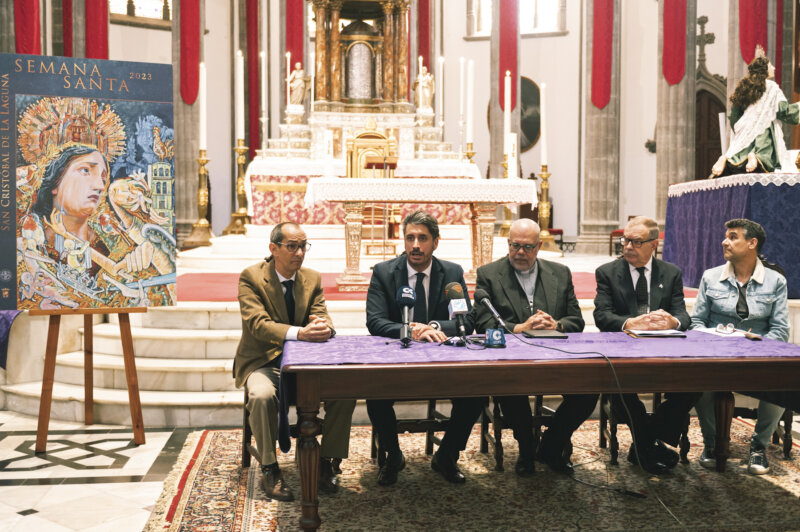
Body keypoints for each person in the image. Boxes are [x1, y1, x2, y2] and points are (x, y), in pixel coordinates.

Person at [234, 222, 356, 501]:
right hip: (263, 360)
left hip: (305, 364)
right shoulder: (251, 277)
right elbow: (258, 325)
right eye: (292, 246)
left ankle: (326, 461)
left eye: (303, 246)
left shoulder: (311, 278)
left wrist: (325, 328)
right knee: (262, 396)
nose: (299, 253)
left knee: (345, 394)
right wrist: (300, 333)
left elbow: (322, 316)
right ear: (273, 249)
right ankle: (269, 467)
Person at [365, 210, 484, 486]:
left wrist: (433, 326)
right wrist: (411, 331)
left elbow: (465, 320)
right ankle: (393, 457)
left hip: (442, 359)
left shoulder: (451, 272)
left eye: (422, 238)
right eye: (410, 238)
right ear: (403, 240)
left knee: (475, 394)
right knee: (374, 395)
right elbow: (375, 321)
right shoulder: (384, 272)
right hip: (397, 358)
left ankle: (447, 456)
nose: (415, 245)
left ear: (435, 242)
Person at [474, 218, 596, 476]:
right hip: (512, 360)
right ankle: (526, 448)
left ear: (539, 246)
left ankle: (551, 445)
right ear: (507, 244)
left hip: (555, 358)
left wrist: (556, 324)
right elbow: (483, 324)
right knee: (510, 387)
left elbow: (577, 321)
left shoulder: (560, 274)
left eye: (527, 247)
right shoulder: (489, 275)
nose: (520, 252)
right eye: (514, 245)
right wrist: (521, 327)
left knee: (589, 391)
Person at [593, 216, 699, 475]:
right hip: (623, 351)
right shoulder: (607, 272)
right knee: (619, 386)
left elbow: (684, 316)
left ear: (654, 245)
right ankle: (647, 446)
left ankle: (642, 442)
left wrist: (671, 321)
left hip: (664, 350)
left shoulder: (670, 273)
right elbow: (602, 316)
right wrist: (630, 322)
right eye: (625, 240)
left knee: (696, 382)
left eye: (636, 242)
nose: (628, 246)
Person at [20, 143, 175, 308]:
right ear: (56, 181)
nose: (100, 186)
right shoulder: (30, 234)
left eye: (103, 178)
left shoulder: (115, 243)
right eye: (86, 170)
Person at [690, 218, 789, 475]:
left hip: (757, 358)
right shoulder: (710, 277)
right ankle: (712, 444)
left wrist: (756, 350)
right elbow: (697, 322)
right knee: (699, 383)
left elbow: (780, 330)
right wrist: (712, 340)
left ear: (752, 243)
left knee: (784, 382)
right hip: (716, 356)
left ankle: (759, 447)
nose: (725, 241)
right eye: (726, 236)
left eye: (733, 236)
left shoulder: (775, 281)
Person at [711, 48, 800, 177]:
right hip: (763, 129)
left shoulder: (744, 87)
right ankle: (757, 157)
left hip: (745, 128)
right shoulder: (772, 87)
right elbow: (784, 111)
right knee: (765, 153)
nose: (774, 68)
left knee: (738, 155)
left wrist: (739, 129)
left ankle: (726, 158)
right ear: (764, 70)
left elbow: (734, 115)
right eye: (771, 66)